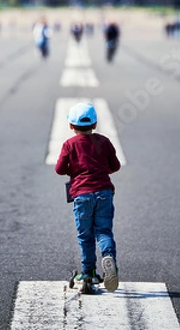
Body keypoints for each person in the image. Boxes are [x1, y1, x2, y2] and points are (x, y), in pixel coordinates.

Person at [55, 102, 121, 292]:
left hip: (82, 196)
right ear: (95, 124)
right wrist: (101, 170)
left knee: (85, 236)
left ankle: (88, 273)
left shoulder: (69, 145)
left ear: (70, 125)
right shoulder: (104, 142)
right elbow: (114, 166)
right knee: (104, 231)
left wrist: (74, 171)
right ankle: (109, 260)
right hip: (104, 194)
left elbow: (59, 170)